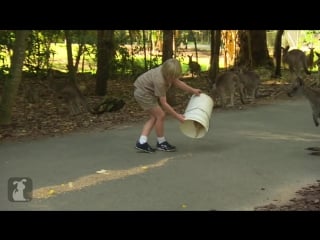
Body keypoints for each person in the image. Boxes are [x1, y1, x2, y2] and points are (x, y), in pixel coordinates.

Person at [133, 58, 202, 153]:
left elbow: (178, 82)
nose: (173, 79)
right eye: (171, 77)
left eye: (175, 76)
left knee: (154, 117)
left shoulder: (167, 72)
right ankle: (161, 143)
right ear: (166, 73)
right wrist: (178, 117)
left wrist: (192, 90)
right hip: (143, 93)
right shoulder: (160, 81)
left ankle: (142, 142)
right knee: (160, 115)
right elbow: (164, 104)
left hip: (145, 92)